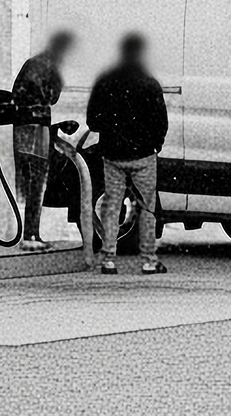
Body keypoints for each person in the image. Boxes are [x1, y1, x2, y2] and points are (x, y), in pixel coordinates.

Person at [86, 32, 169, 274]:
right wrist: (155, 145)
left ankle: (108, 259)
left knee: (111, 207)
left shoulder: (104, 80)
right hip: (144, 155)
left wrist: (112, 134)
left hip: (113, 155)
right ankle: (149, 261)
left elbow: (93, 120)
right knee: (147, 209)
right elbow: (160, 121)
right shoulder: (149, 82)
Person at [11, 30, 73, 251]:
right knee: (37, 182)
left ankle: (31, 232)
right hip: (37, 129)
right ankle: (31, 233)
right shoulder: (51, 67)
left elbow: (18, 93)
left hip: (25, 127)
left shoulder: (33, 63)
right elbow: (51, 97)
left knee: (31, 182)